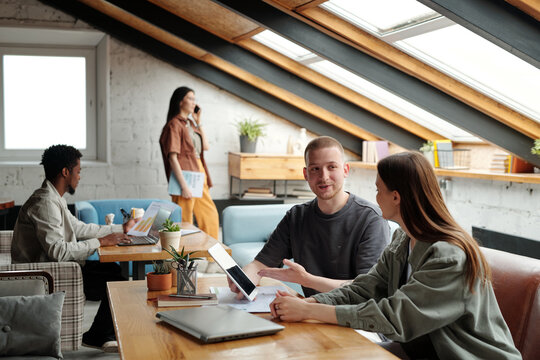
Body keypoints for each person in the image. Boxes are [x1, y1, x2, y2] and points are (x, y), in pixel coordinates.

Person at [269, 151, 521, 359]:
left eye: (378, 190)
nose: (376, 197)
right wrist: (310, 303)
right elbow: (365, 287)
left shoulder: (449, 257)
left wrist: (308, 312)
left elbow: (394, 317)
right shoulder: (402, 239)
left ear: (396, 197)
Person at [11, 145, 137, 353]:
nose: (79, 177)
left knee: (114, 273)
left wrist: (119, 229)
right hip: (44, 274)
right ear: (65, 172)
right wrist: (101, 242)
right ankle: (100, 335)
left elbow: (78, 227)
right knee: (117, 282)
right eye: (78, 171)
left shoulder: (54, 197)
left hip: (58, 268)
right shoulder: (44, 204)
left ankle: (100, 334)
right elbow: (58, 252)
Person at [231, 136, 390, 298]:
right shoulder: (296, 217)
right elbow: (260, 265)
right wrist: (243, 279)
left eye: (332, 167)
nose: (324, 176)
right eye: (315, 169)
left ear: (345, 170)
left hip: (353, 316)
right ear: (306, 174)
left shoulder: (371, 219)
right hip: (310, 312)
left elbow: (368, 289)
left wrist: (308, 280)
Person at [159, 86, 219, 239]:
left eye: (195, 99)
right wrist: (184, 185)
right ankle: (183, 256)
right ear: (180, 102)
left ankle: (212, 254)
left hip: (199, 172)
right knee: (185, 220)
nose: (194, 102)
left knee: (210, 215)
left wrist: (199, 123)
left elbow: (205, 146)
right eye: (191, 98)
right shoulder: (174, 125)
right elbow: (172, 158)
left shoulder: (190, 124)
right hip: (185, 176)